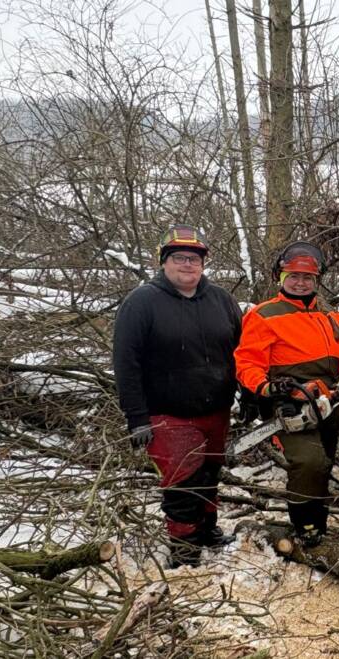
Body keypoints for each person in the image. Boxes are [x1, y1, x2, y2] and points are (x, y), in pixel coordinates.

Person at [112, 225, 241, 568]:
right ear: (164, 262)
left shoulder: (222, 300)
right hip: (167, 411)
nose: (188, 264)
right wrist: (136, 417)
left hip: (216, 406)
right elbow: (126, 363)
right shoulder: (142, 303)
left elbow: (242, 351)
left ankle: (207, 529)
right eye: (180, 258)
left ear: (203, 263)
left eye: (194, 258)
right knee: (183, 481)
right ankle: (184, 548)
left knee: (210, 472)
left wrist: (251, 392)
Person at [234, 241, 339, 546]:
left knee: (326, 461)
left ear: (316, 281)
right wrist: (265, 387)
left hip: (328, 402)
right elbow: (247, 362)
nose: (300, 283)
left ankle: (318, 520)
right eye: (294, 276)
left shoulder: (332, 316)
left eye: (307, 278)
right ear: (281, 277)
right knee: (308, 462)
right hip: (287, 404)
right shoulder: (264, 315)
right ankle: (305, 526)